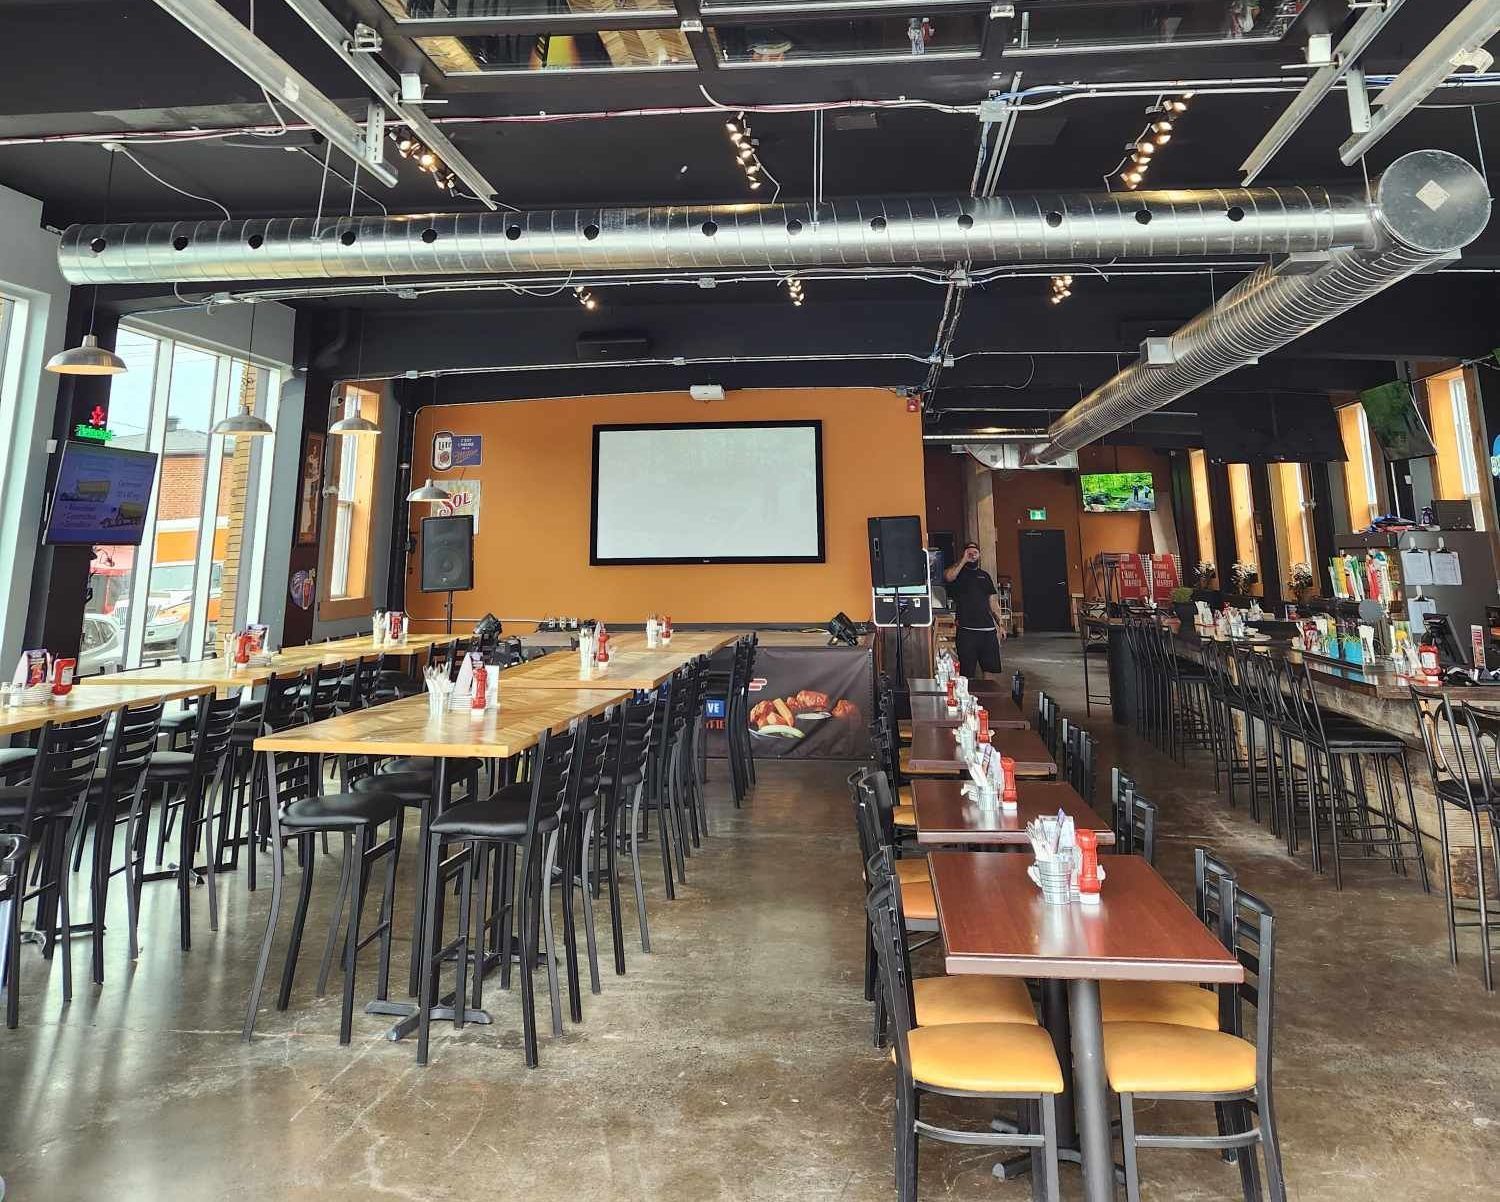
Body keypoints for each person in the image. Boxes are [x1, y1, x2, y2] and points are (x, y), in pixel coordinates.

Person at [942, 540, 1007, 679]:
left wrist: (1000, 624)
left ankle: (988, 693)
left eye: (975, 552)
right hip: (967, 631)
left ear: (979, 555)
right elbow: (948, 576)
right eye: (969, 552)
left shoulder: (985, 576)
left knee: (990, 671)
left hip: (988, 631)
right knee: (967, 673)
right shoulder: (958, 574)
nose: (972, 555)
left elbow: (993, 602)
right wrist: (964, 559)